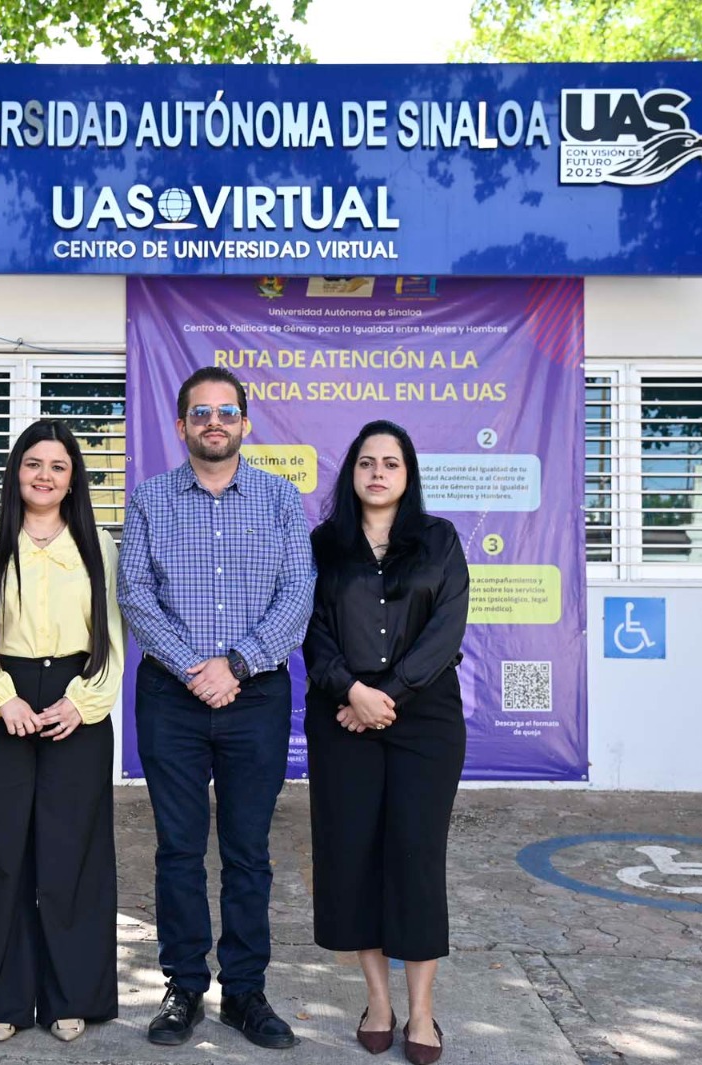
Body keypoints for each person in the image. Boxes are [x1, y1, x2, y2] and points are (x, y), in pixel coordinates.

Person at [118, 366, 315, 1050]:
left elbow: (298, 592)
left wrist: (235, 664)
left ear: (244, 424)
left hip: (255, 695)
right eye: (200, 412)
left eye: (226, 412)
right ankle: (183, 987)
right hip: (171, 699)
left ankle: (245, 992)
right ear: (181, 426)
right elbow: (135, 593)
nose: (214, 422)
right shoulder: (150, 499)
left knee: (247, 851)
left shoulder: (280, 498)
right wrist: (195, 670)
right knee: (177, 849)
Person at [0, 419, 124, 1044]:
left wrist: (84, 702)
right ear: (16, 471)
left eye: (58, 466)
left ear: (74, 479)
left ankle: (73, 995)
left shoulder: (97, 546)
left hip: (75, 704)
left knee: (74, 852)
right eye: (33, 464)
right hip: (0, 703)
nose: (45, 476)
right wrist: (0, 700)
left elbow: (113, 635)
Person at [301, 421, 471, 1065]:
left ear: (408, 474)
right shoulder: (324, 545)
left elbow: (445, 630)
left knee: (415, 857)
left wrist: (383, 696)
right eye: (367, 462)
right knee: (353, 858)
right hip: (341, 719)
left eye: (391, 463)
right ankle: (377, 1002)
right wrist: (351, 692)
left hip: (424, 719)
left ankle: (422, 1011)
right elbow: (310, 628)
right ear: (351, 473)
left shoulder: (439, 539)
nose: (378, 473)